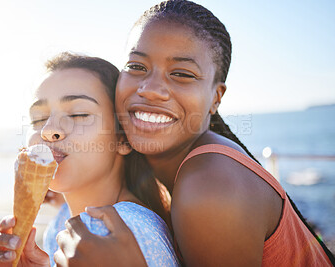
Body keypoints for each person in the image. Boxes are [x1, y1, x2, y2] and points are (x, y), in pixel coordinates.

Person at [54, 1, 335, 266]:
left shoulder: (210, 186)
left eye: (182, 74)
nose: (150, 89)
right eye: (137, 67)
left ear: (216, 97)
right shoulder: (162, 172)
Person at [0, 52, 179, 267]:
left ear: (124, 139)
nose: (48, 129)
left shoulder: (118, 231)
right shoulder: (63, 220)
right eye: (39, 118)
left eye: (78, 114)